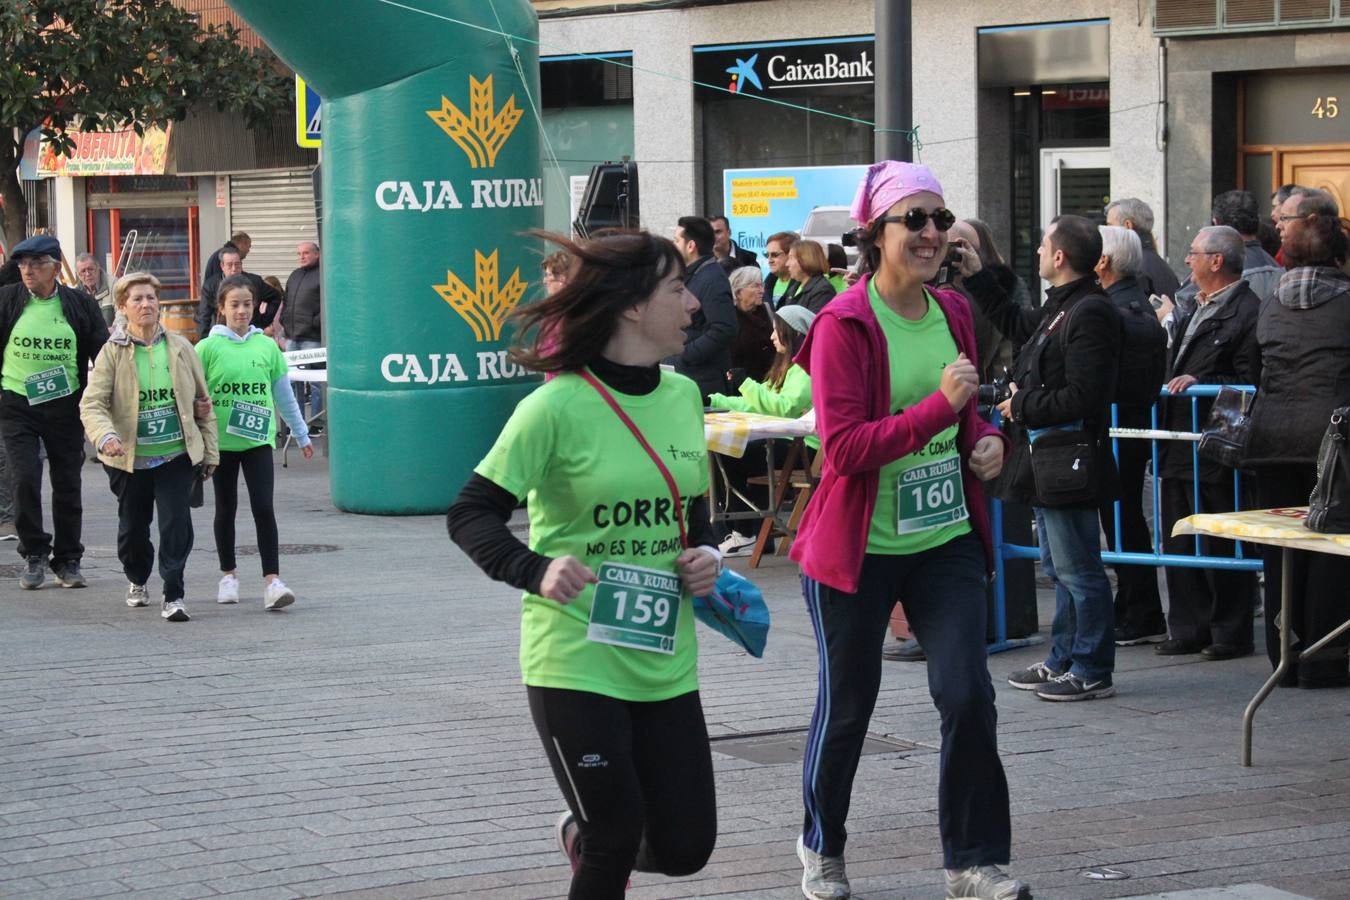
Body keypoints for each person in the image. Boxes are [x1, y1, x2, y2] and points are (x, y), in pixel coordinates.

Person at [447, 230, 719, 899]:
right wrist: (533, 568)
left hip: (664, 655)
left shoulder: (684, 398)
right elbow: (471, 513)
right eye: (678, 290)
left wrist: (707, 555)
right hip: (575, 658)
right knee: (615, 838)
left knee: (685, 847)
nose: (694, 307)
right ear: (632, 305)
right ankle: (593, 837)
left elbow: (694, 514)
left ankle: (579, 832)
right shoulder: (555, 407)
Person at [789, 160, 1029, 900]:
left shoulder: (953, 310)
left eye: (939, 219)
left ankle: (973, 862)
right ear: (875, 233)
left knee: (967, 696)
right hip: (860, 547)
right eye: (914, 220)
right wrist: (939, 410)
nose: (932, 234)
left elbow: (965, 414)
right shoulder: (845, 322)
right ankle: (821, 848)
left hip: (944, 540)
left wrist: (988, 440)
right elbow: (845, 449)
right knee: (849, 706)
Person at [965, 215, 1123, 702]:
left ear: (1060, 258)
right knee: (1060, 568)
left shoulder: (1090, 312)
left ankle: (1091, 666)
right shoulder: (1064, 307)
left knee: (1079, 570)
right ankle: (1063, 659)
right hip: (1047, 460)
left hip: (1068, 462)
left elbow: (1085, 395)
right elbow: (1016, 323)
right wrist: (975, 274)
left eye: (1041, 246)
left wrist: (1022, 404)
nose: (1035, 253)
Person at [1246, 188, 1350, 688]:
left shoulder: (1270, 302)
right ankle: (1324, 662)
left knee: (1281, 550)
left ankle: (1281, 659)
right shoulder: (1347, 301)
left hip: (1270, 439)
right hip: (1332, 447)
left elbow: (1255, 366)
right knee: (1330, 547)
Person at [79, 272, 219, 622]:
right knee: (133, 530)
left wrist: (210, 452)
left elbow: (204, 402)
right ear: (123, 308)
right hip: (129, 459)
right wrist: (105, 436)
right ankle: (137, 578)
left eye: (151, 298)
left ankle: (174, 593)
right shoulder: (112, 352)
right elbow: (91, 404)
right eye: (137, 299)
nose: (146, 304)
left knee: (176, 524)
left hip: (175, 455)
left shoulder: (181, 348)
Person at [1155, 225, 1262, 660]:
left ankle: (1229, 632)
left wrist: (1203, 381)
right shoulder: (1191, 304)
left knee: (1220, 539)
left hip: (1215, 444)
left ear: (1217, 261)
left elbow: (1248, 380)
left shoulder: (1247, 311)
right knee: (1180, 536)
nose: (1187, 260)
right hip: (1181, 441)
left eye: (1194, 253)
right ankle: (1188, 627)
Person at [197, 274, 313, 612]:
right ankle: (228, 575)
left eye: (247, 305)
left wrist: (301, 434)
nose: (242, 311)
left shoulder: (266, 347)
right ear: (222, 308)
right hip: (221, 444)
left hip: (258, 441)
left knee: (264, 507)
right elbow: (191, 392)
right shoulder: (206, 348)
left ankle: (272, 581)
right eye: (234, 305)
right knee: (226, 508)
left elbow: (283, 395)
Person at [0, 235, 109, 590]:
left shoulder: (78, 304)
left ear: (55, 268)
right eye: (23, 264)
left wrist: (111, 401)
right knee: (24, 477)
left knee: (67, 482)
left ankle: (68, 559)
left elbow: (102, 355)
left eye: (36, 264)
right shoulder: (8, 300)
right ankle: (33, 553)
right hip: (17, 405)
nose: (28, 270)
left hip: (65, 407)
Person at [1092, 225, 1168, 646]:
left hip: (1119, 428)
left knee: (1122, 521)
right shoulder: (1133, 305)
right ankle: (1138, 607)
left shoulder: (1117, 311)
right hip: (1125, 427)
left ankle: (1140, 610)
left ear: (1103, 261)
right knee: (1123, 520)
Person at [710, 304, 817, 559]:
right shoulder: (786, 367)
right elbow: (756, 404)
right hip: (787, 441)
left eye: (776, 331)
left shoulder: (805, 369)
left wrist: (745, 383)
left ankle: (746, 531)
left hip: (805, 448)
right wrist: (715, 401)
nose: (771, 337)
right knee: (728, 450)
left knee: (734, 452)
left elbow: (783, 409)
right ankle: (746, 528)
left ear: (792, 333)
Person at [664, 216, 737, 403]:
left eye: (676, 240)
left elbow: (724, 328)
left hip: (704, 381)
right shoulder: (692, 274)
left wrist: (685, 355)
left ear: (691, 246)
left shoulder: (712, 278)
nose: (673, 245)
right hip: (687, 374)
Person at [197, 246, 282, 338]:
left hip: (250, 334)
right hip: (223, 335)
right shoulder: (210, 285)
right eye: (230, 265)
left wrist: (262, 322)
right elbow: (204, 315)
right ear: (222, 266)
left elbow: (275, 296)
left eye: (237, 264)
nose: (234, 269)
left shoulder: (254, 281)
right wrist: (204, 338)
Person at [282, 241, 324, 427]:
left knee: (316, 383)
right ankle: (297, 423)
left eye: (306, 253)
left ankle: (316, 423)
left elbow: (329, 303)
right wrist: (284, 320)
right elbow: (286, 300)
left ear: (317, 254)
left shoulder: (323, 275)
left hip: (312, 338)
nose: (301, 256)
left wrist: (315, 323)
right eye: (299, 253)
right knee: (292, 383)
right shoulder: (295, 275)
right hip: (292, 337)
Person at [1105, 198, 1180, 301]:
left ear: (1128, 225)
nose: (1107, 232)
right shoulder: (1156, 263)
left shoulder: (1133, 267)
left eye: (1110, 226)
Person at [726, 264, 775, 384]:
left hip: (768, 383)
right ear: (738, 292)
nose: (762, 291)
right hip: (740, 386)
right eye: (756, 286)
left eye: (762, 285)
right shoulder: (728, 317)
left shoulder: (767, 311)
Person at [781, 240, 837, 314]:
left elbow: (812, 322)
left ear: (805, 259)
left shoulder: (822, 290)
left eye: (791, 258)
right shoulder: (795, 286)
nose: (787, 264)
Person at [201, 231, 252, 299]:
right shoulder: (224, 257)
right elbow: (219, 284)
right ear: (242, 243)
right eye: (249, 246)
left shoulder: (222, 254)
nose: (248, 250)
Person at [75, 253, 115, 326]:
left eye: (90, 269)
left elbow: (122, 315)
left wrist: (114, 331)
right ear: (78, 275)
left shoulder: (114, 285)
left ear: (98, 268)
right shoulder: (75, 293)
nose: (87, 274)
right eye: (83, 271)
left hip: (111, 335)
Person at [763, 230, 801, 307]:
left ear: (791, 255)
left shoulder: (805, 284)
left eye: (775, 255)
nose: (769, 260)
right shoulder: (767, 284)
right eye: (767, 255)